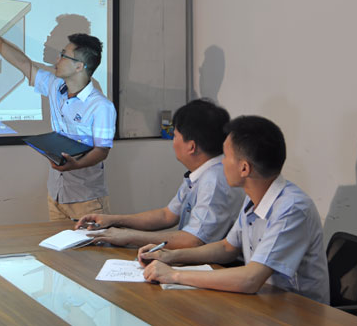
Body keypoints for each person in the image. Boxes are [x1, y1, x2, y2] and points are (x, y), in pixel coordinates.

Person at [139, 116, 329, 303]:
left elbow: (251, 279)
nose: (221, 162)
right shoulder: (254, 196)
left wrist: (174, 275)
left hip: (298, 311)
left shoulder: (292, 209)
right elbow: (227, 247)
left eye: (226, 156)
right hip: (263, 303)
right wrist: (170, 256)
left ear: (244, 168)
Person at [0, 16, 116, 220]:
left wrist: (75, 165)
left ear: (79, 66)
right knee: (56, 242)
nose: (57, 59)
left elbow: (102, 151)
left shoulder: (101, 106)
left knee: (91, 242)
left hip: (86, 198)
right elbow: (23, 63)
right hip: (56, 193)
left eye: (63, 55)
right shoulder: (55, 86)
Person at [75, 99, 242, 249]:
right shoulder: (202, 173)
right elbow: (167, 215)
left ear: (191, 147)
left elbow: (194, 240)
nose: (173, 142)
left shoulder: (213, 180)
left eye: (175, 136)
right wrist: (114, 220)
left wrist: (130, 236)